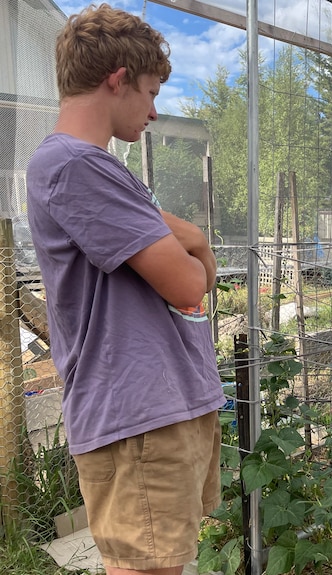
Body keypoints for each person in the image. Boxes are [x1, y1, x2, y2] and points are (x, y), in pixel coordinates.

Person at [26, 5, 226, 574]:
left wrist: (195, 247)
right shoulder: (74, 166)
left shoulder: (97, 168)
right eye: (151, 90)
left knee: (165, 562)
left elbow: (193, 284)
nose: (154, 111)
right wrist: (195, 240)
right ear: (118, 77)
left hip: (157, 407)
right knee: (149, 567)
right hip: (138, 413)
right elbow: (189, 283)